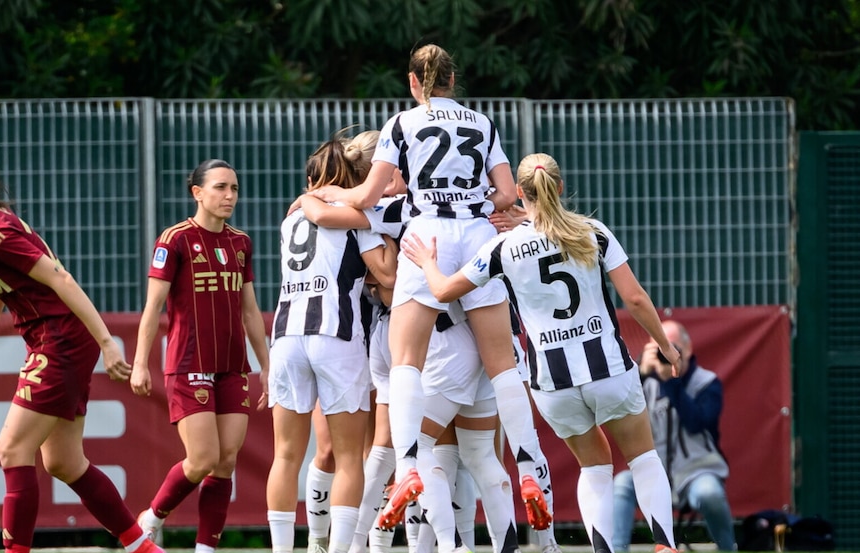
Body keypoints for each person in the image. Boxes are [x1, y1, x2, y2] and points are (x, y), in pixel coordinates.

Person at [310, 43, 553, 535]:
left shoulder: (401, 124)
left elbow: (366, 197)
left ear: (413, 81)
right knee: (502, 363)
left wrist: (330, 191)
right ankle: (529, 468)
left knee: (406, 362)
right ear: (452, 79)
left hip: (428, 234)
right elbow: (506, 195)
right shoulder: (482, 123)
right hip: (478, 233)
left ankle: (410, 468)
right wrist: (473, 199)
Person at [402, 152, 683, 553]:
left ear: (519, 192)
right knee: (642, 458)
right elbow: (635, 299)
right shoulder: (593, 232)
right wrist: (667, 347)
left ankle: (603, 550)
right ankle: (665, 544)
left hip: (552, 382)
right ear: (561, 187)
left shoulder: (503, 247)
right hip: (607, 369)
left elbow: (445, 290)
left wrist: (428, 263)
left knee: (594, 465)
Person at [0, 148, 158, 553]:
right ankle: (143, 548)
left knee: (12, 448)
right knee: (65, 462)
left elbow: (61, 277)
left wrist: (107, 345)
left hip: (60, 339)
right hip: (51, 339)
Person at [128, 159, 271, 553]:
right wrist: (140, 362)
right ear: (198, 193)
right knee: (203, 459)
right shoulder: (174, 239)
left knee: (226, 462)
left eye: (235, 189)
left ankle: (205, 548)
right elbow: (153, 306)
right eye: (221, 187)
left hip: (232, 366)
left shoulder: (240, 242)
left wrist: (268, 365)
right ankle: (153, 516)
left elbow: (249, 311)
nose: (229, 196)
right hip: (190, 364)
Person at [266, 137, 397, 553]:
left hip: (286, 337)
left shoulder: (290, 220)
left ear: (311, 180)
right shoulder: (355, 215)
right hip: (336, 336)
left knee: (286, 455)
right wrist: (386, 239)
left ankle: (284, 548)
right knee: (347, 456)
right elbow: (387, 276)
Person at [612, 320, 735, 552]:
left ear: (687, 349)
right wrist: (638, 373)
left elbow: (697, 423)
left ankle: (729, 549)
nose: (666, 354)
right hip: (654, 471)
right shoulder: (644, 383)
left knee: (710, 493)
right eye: (659, 348)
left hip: (696, 472)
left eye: (672, 347)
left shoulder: (707, 383)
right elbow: (616, 412)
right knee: (622, 484)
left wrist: (671, 382)